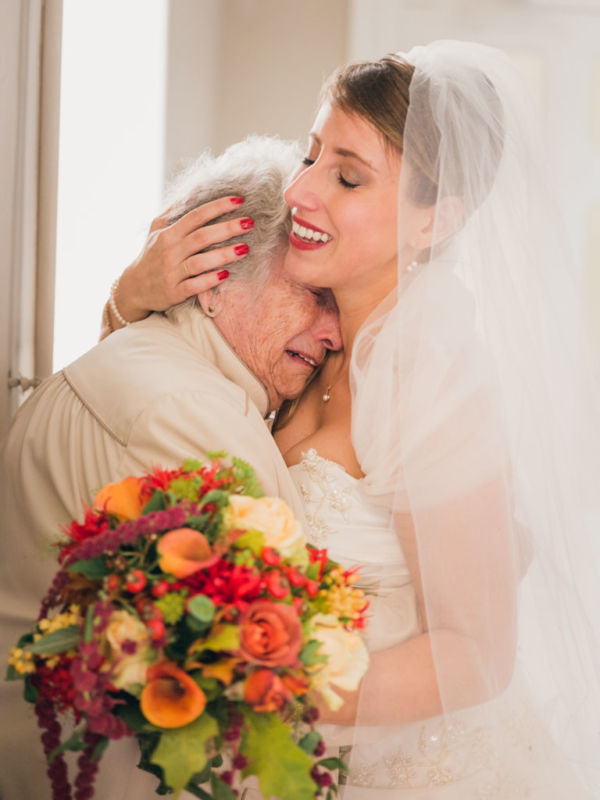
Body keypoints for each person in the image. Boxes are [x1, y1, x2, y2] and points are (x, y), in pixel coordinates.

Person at [110, 41, 600, 799]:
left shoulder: (428, 370)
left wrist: (259, 693)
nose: (300, 191)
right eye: (310, 156)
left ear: (434, 222)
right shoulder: (306, 323)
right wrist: (128, 297)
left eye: (346, 176)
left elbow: (478, 653)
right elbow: (150, 413)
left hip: (414, 772)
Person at [0, 134, 342, 800]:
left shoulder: (143, 358)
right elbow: (238, 696)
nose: (335, 333)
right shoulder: (188, 413)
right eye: (316, 294)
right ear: (214, 277)